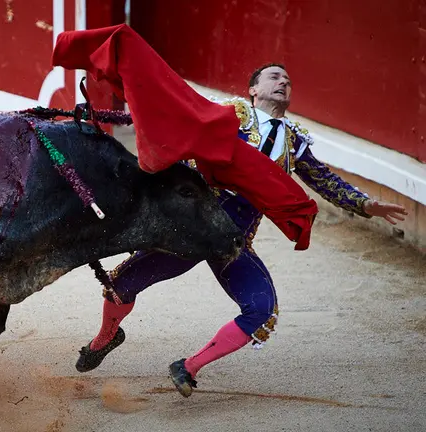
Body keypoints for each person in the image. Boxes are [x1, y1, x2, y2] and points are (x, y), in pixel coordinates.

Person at [74, 62, 409, 397]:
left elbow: (326, 182)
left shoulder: (294, 144)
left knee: (261, 311)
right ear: (253, 90)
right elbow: (180, 128)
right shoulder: (228, 116)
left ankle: (188, 366)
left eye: (288, 80)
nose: (284, 82)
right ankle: (105, 338)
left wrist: (366, 205)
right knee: (120, 286)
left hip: (230, 241)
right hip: (190, 228)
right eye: (275, 77)